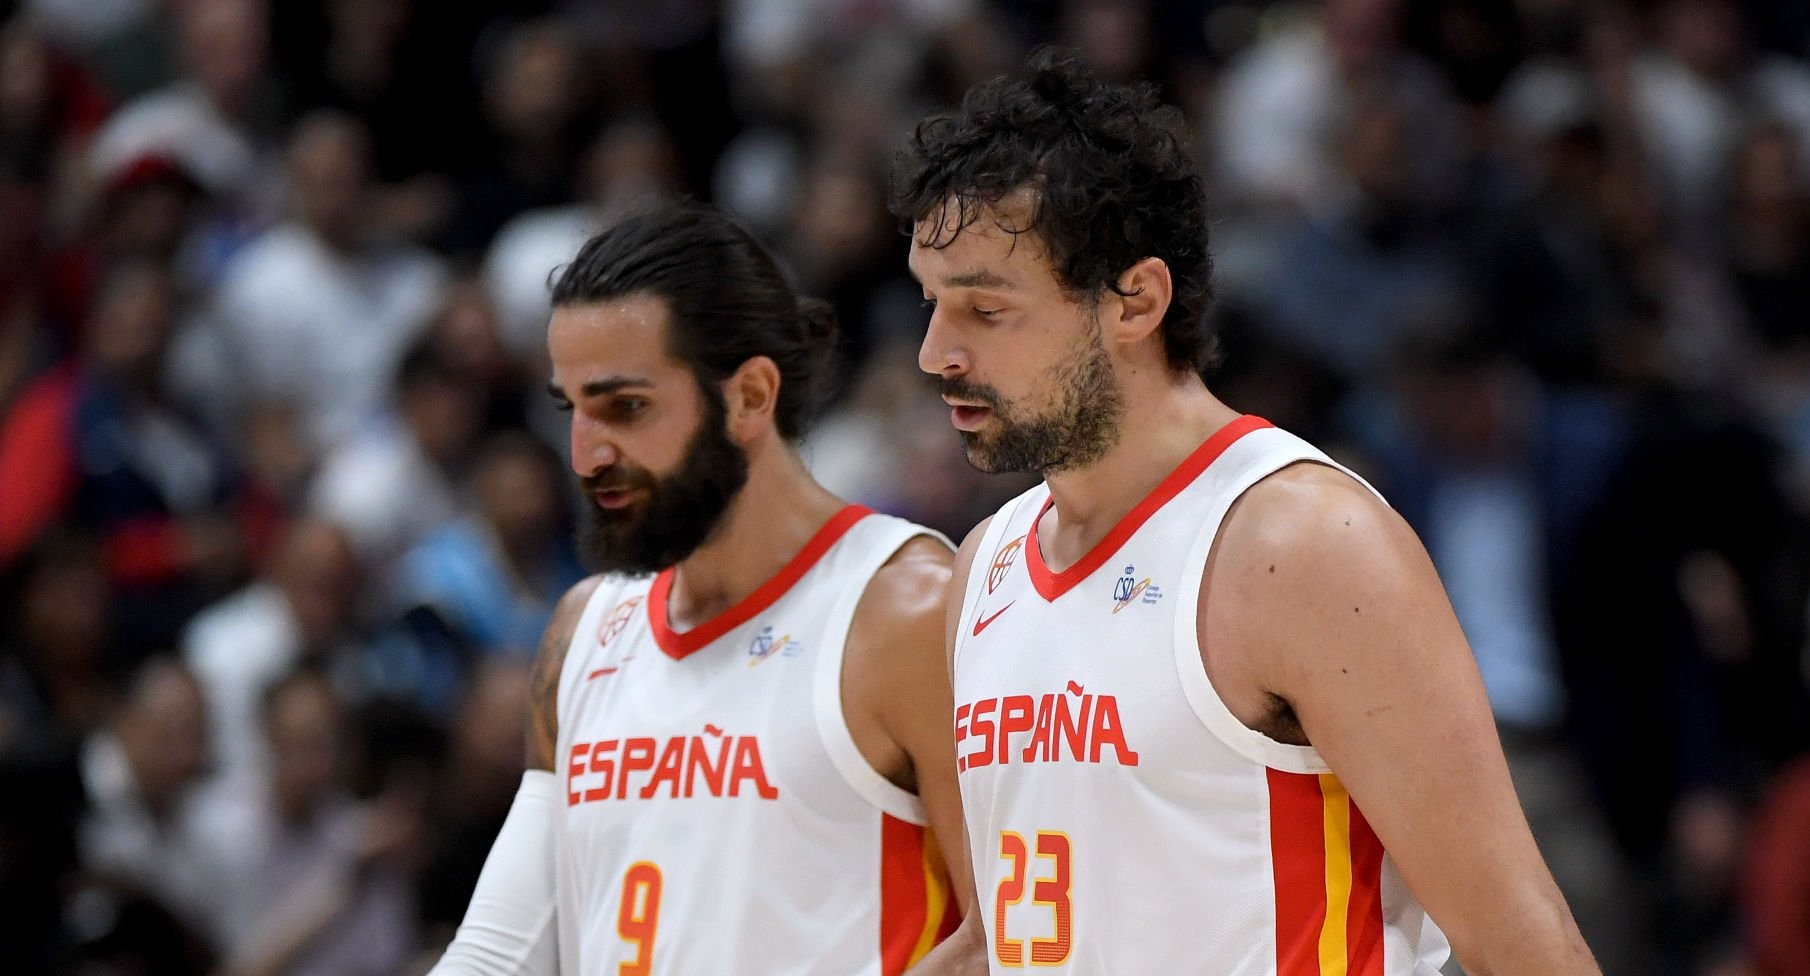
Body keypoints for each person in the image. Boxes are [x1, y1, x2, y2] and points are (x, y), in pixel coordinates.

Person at [891, 49, 1600, 974]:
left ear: (1135, 301)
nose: (934, 352)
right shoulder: (984, 565)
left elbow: (1518, 936)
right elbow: (1002, 942)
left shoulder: (1301, 545)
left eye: (985, 309)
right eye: (931, 303)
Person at [426, 203, 967, 975]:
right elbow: (496, 955)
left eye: (625, 407)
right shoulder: (583, 632)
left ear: (749, 397)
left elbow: (1013, 939)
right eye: (571, 409)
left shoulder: (907, 610)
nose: (585, 455)